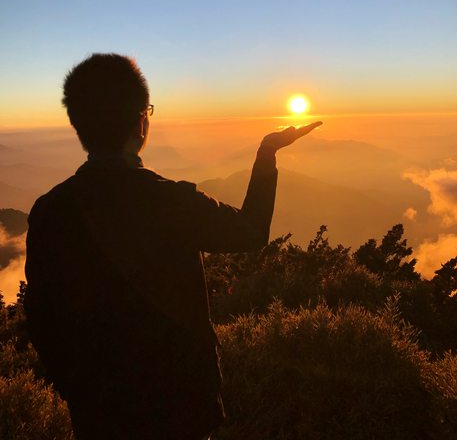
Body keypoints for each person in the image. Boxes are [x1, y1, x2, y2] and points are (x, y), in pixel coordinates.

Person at [24, 53, 321, 440]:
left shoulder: (50, 212)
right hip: (182, 407)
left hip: (99, 412)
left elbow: (41, 317)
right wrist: (267, 153)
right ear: (140, 122)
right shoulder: (172, 202)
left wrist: (77, 389)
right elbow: (251, 232)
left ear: (79, 125)